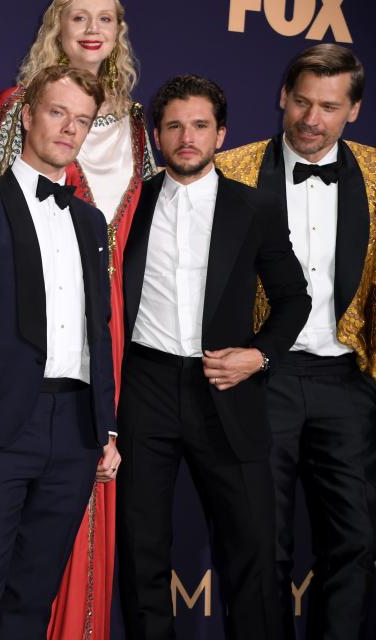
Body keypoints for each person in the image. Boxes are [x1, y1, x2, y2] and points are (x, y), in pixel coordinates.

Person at [0, 2, 147, 637]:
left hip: (74, 433)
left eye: (82, 120)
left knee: (33, 597)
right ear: (27, 116)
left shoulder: (90, 222)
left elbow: (97, 332)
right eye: (57, 113)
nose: (68, 129)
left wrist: (107, 429)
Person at [117, 75, 311, 640]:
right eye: (174, 125)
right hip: (146, 388)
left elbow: (294, 298)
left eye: (200, 125)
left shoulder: (253, 208)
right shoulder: (131, 206)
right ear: (156, 134)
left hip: (226, 389)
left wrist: (260, 356)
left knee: (252, 551)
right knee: (141, 548)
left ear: (221, 134)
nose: (186, 137)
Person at [216, 44, 376, 639]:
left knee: (355, 542)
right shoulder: (229, 169)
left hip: (348, 383)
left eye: (330, 107)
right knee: (261, 546)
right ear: (283, 97)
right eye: (303, 102)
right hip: (261, 378)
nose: (312, 119)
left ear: (353, 110)